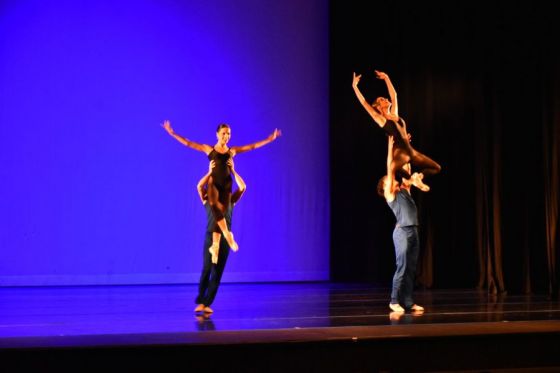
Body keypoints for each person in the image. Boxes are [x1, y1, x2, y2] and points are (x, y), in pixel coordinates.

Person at [162, 120, 281, 252]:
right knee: (213, 204)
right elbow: (188, 143)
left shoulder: (232, 151)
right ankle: (227, 235)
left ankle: (215, 245)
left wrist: (269, 139)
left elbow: (252, 146)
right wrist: (172, 133)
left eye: (229, 134)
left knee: (221, 213)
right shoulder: (209, 149)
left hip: (226, 185)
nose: (226, 136)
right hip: (213, 183)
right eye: (224, 133)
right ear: (217, 134)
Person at [353, 69, 441, 191]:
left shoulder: (394, 115)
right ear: (378, 107)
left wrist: (386, 78)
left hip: (411, 151)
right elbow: (364, 103)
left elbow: (394, 96)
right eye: (382, 100)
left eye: (384, 98)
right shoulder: (382, 120)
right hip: (401, 154)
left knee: (436, 168)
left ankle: (417, 178)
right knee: (393, 169)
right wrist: (355, 87)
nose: (385, 99)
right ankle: (409, 179)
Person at [378, 135, 424, 314]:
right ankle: (394, 300)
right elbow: (390, 168)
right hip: (402, 233)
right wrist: (390, 148)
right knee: (402, 267)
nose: (391, 178)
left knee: (411, 268)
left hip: (414, 230)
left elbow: (407, 165)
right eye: (387, 180)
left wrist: (406, 145)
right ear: (385, 187)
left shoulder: (405, 189)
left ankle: (408, 301)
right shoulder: (391, 195)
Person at [194, 158, 246, 314]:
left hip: (224, 241)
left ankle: (207, 303)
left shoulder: (230, 200)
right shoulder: (207, 199)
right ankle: (201, 299)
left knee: (217, 272)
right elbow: (199, 186)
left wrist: (233, 171)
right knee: (207, 269)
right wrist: (210, 172)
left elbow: (243, 187)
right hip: (210, 237)